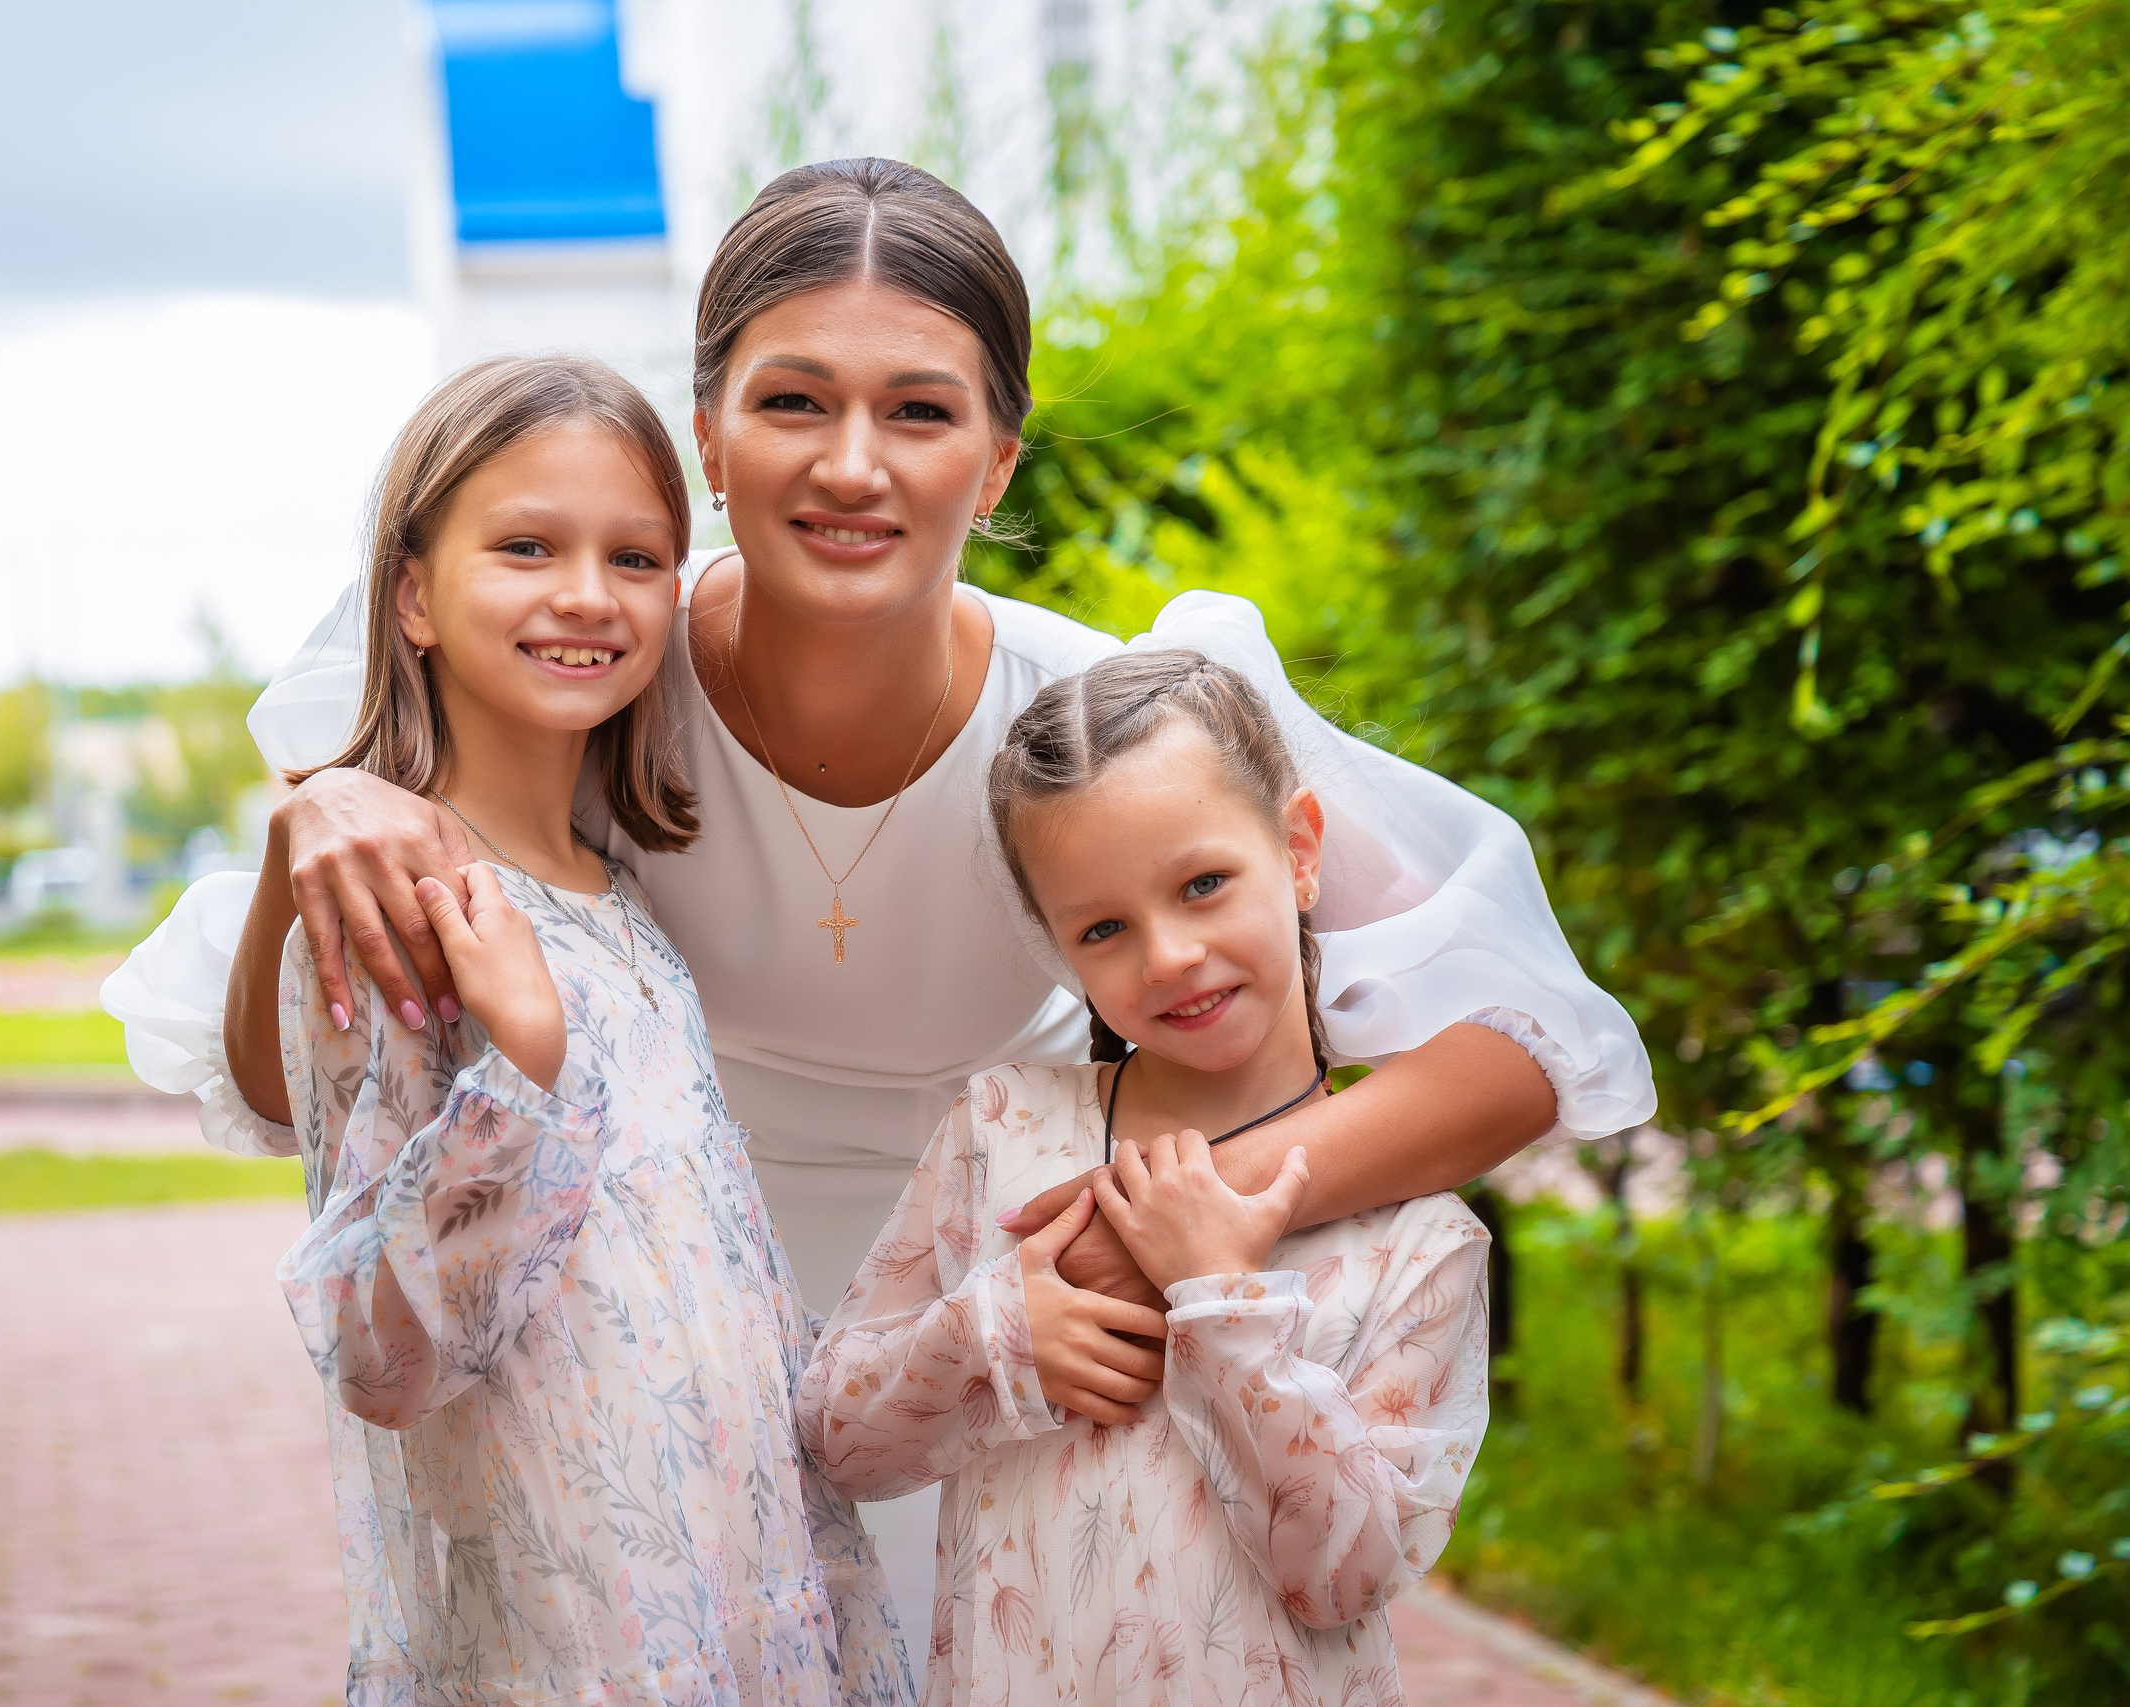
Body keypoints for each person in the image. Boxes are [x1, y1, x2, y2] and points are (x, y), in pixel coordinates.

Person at [104, 156, 1652, 1625]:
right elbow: (284, 1076)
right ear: (708, 439)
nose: (852, 464)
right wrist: (328, 811)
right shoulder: (584, 692)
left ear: (998, 458)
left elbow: (1527, 1038)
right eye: (792, 402)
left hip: (996, 1376)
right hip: (640, 1392)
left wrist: (1178, 1218)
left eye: (919, 410)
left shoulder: (1098, 728)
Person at [256, 354, 905, 1706]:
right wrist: (525, 1069)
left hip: (750, 1590)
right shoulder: (388, 905)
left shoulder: (619, 896)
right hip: (572, 1637)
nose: (585, 594)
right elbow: (386, 1357)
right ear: (414, 595)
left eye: (637, 556)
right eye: (527, 546)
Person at [801, 650, 1491, 1704]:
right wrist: (993, 1335)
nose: (1167, 955)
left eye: (1204, 884)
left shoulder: (1422, 1241)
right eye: (1104, 928)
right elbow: (835, 1444)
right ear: (1058, 945)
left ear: (1298, 851)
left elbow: (1345, 1575)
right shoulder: (1003, 1132)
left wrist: (1225, 1307)